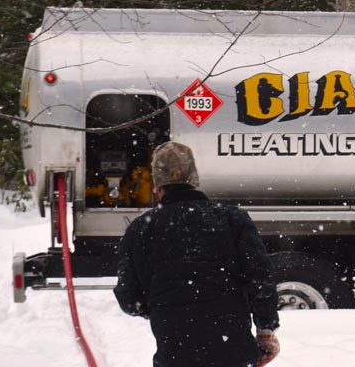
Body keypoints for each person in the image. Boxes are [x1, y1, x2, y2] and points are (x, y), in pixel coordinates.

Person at [114, 142, 281, 367]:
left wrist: (164, 309)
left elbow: (128, 297)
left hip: (174, 353)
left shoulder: (140, 230)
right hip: (233, 351)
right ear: (194, 180)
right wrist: (265, 329)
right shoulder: (232, 220)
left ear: (157, 185)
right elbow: (261, 278)